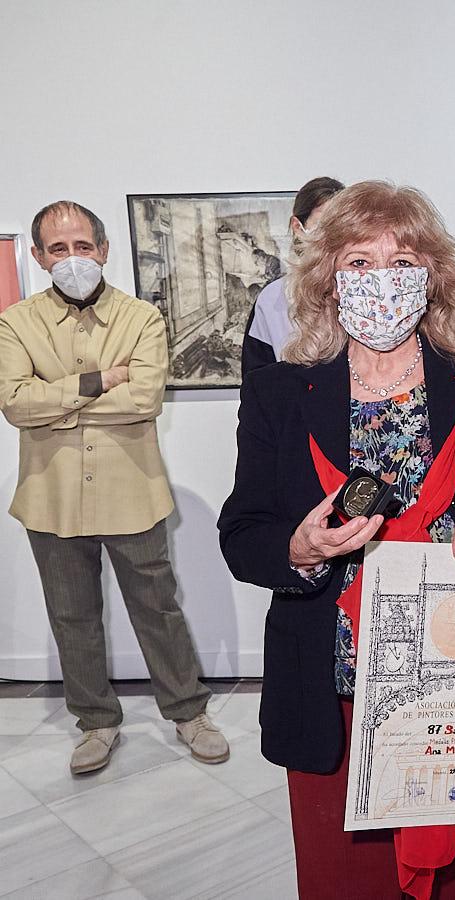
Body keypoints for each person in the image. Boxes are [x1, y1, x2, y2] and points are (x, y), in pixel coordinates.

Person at [218, 181, 455, 899]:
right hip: (329, 689)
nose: (383, 279)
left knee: (450, 883)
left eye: (402, 261)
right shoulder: (281, 391)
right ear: (327, 279)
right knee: (340, 882)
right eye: (359, 262)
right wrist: (299, 549)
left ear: (433, 275)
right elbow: (242, 533)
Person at [0, 201, 229, 775]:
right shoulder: (16, 323)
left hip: (133, 494)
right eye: (58, 249)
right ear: (38, 256)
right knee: (71, 616)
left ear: (103, 250)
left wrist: (57, 400)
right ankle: (96, 722)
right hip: (50, 498)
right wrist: (101, 380)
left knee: (157, 608)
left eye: (83, 246)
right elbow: (16, 403)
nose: (72, 258)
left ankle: (189, 711)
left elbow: (144, 400)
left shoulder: (142, 318)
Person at [241, 176, 344, 376]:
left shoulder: (361, 291)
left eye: (340, 227)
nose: (331, 237)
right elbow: (256, 380)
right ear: (298, 227)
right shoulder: (271, 299)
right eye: (323, 226)